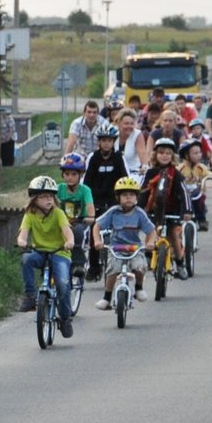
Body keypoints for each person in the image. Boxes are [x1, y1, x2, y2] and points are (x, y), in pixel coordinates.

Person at [15, 176, 74, 338]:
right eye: (43, 196)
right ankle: (30, 296)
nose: (48, 200)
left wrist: (69, 241)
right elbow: (23, 234)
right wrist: (21, 241)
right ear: (34, 199)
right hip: (40, 252)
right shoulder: (30, 214)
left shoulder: (58, 213)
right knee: (26, 259)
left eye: (51, 196)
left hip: (60, 252)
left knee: (63, 284)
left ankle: (65, 318)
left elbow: (67, 232)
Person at [92, 177, 156, 310]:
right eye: (124, 195)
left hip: (135, 247)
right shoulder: (113, 212)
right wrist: (97, 241)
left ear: (136, 197)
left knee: (139, 267)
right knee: (112, 270)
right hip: (116, 247)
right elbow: (97, 226)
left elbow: (151, 230)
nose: (128, 198)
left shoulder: (139, 213)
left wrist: (150, 242)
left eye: (131, 195)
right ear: (118, 197)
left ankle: (139, 287)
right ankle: (107, 297)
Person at [82, 122, 129, 280]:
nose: (106, 143)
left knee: (120, 230)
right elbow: (87, 182)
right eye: (103, 140)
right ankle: (94, 267)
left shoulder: (118, 158)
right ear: (99, 142)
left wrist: (123, 199)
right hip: (96, 200)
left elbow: (124, 179)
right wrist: (89, 202)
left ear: (113, 141)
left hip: (114, 199)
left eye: (109, 140)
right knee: (94, 232)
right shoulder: (93, 158)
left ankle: (122, 262)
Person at [141, 137, 189, 277]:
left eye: (168, 153)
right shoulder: (151, 172)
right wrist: (139, 207)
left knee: (174, 236)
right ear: (155, 155)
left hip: (172, 210)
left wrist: (187, 210)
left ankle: (180, 262)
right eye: (161, 153)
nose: (164, 156)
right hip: (154, 210)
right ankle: (148, 255)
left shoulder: (176, 174)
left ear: (172, 156)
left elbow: (184, 192)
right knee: (151, 231)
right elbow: (144, 191)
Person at [56, 152, 95, 280]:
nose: (70, 177)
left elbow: (90, 208)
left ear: (80, 175)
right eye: (67, 174)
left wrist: (90, 216)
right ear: (62, 174)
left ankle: (78, 264)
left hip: (79, 222)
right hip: (62, 222)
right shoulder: (58, 189)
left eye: (74, 174)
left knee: (77, 233)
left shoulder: (85, 190)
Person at [178, 140, 212, 231]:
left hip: (197, 192)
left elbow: (208, 174)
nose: (199, 155)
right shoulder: (180, 168)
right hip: (184, 193)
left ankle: (202, 220)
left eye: (200, 152)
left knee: (200, 202)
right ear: (186, 155)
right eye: (195, 153)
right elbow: (174, 175)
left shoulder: (200, 167)